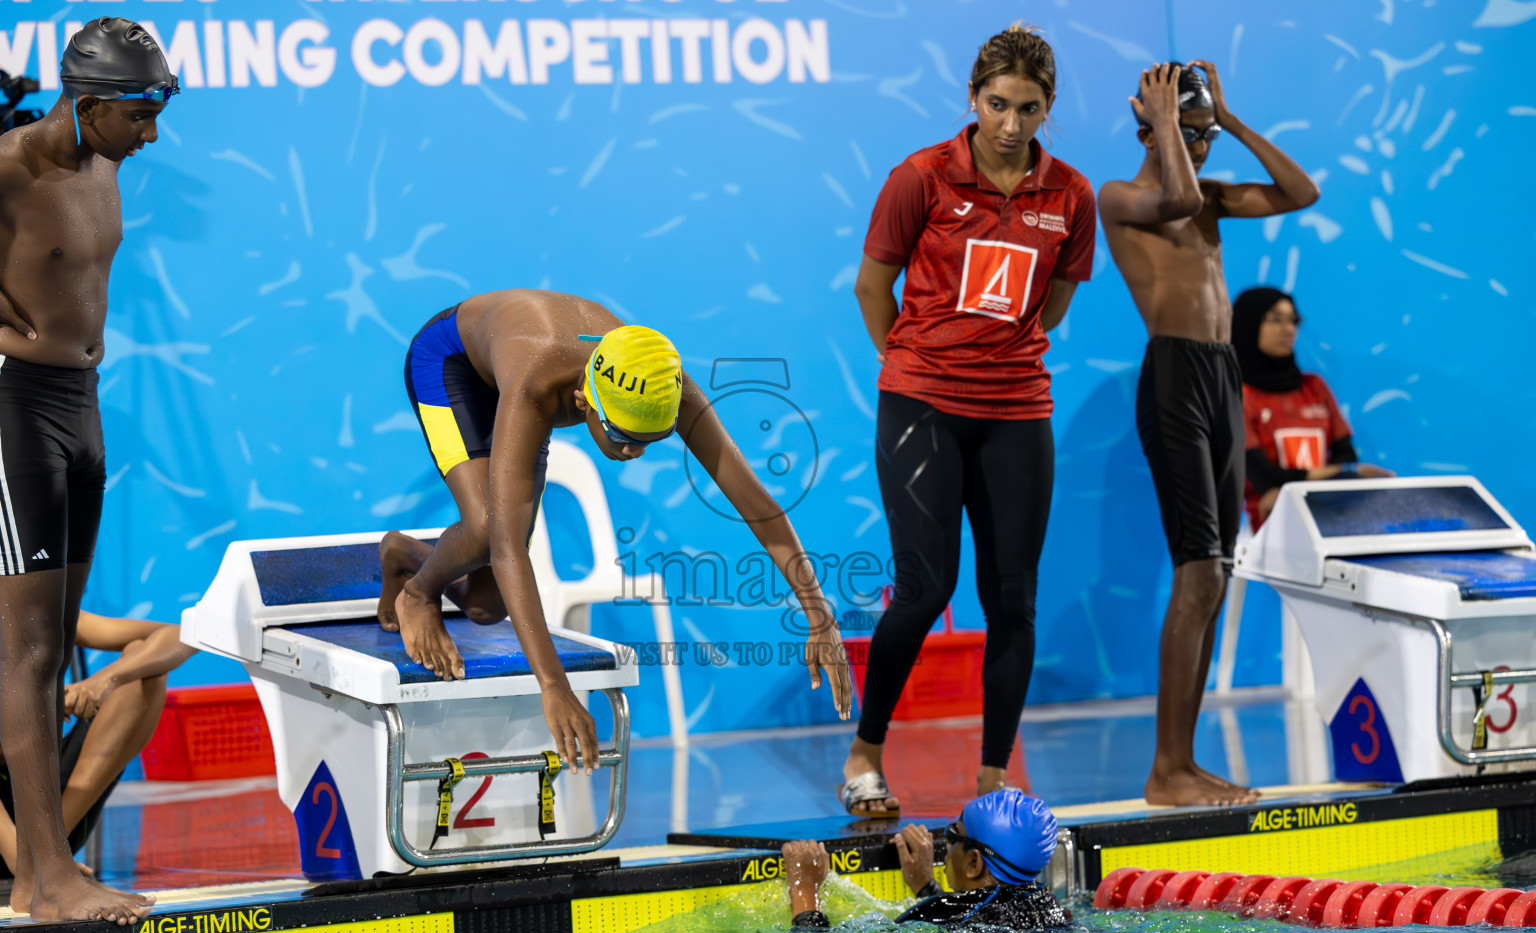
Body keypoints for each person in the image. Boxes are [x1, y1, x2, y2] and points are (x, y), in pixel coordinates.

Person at [377, 290, 853, 773]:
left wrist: (820, 617)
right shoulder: (536, 389)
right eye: (624, 438)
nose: (634, 455)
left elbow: (759, 505)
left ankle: (404, 553)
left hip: (519, 356)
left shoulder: (664, 382)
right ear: (585, 401)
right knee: (487, 529)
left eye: (651, 441)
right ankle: (418, 593)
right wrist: (555, 685)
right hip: (451, 362)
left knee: (485, 606)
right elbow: (506, 550)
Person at [843, 25, 1096, 818]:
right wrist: (919, 366)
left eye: (1028, 108)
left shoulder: (1072, 196)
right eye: (997, 104)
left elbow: (1054, 302)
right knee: (923, 589)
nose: (1011, 124)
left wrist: (992, 362)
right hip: (921, 403)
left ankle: (994, 779)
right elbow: (870, 289)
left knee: (1013, 599)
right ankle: (865, 752)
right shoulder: (920, 177)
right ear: (971, 98)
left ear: (1048, 106)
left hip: (1018, 411)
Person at [1098, 62, 1320, 807]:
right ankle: (1166, 770)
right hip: (1174, 380)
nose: (1198, 148)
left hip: (1225, 377)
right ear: (1146, 127)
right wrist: (1169, 125)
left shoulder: (1211, 199)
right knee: (1197, 569)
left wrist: (1229, 113)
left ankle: (1184, 767)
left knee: (1217, 572)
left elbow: (1302, 191)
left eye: (1204, 137)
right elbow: (1179, 194)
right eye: (1185, 132)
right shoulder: (1123, 198)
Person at [0, 17, 177, 922]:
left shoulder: (107, 168)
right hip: (13, 408)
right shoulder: (9, 170)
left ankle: (38, 872)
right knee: (27, 652)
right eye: (142, 114)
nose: (152, 134)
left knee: (59, 639)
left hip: (82, 405)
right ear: (93, 102)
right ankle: (48, 878)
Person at [0, 612, 192, 879]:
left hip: (51, 818)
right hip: (6, 835)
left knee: (140, 660)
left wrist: (103, 681)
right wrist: (38, 708)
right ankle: (32, 863)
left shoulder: (29, 603)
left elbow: (185, 635)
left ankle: (48, 849)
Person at [783, 789, 1068, 932]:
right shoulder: (1052, 911)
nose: (945, 843)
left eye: (952, 834)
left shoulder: (940, 912)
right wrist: (926, 887)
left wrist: (804, 888)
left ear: (973, 863)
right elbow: (985, 913)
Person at [1233, 287, 1393, 527]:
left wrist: (1319, 484)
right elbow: (1262, 476)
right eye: (1276, 319)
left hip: (1326, 518)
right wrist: (1337, 475)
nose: (1289, 329)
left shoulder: (1314, 386)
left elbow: (1345, 454)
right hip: (1265, 528)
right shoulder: (1237, 394)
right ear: (1248, 323)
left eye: (1294, 320)